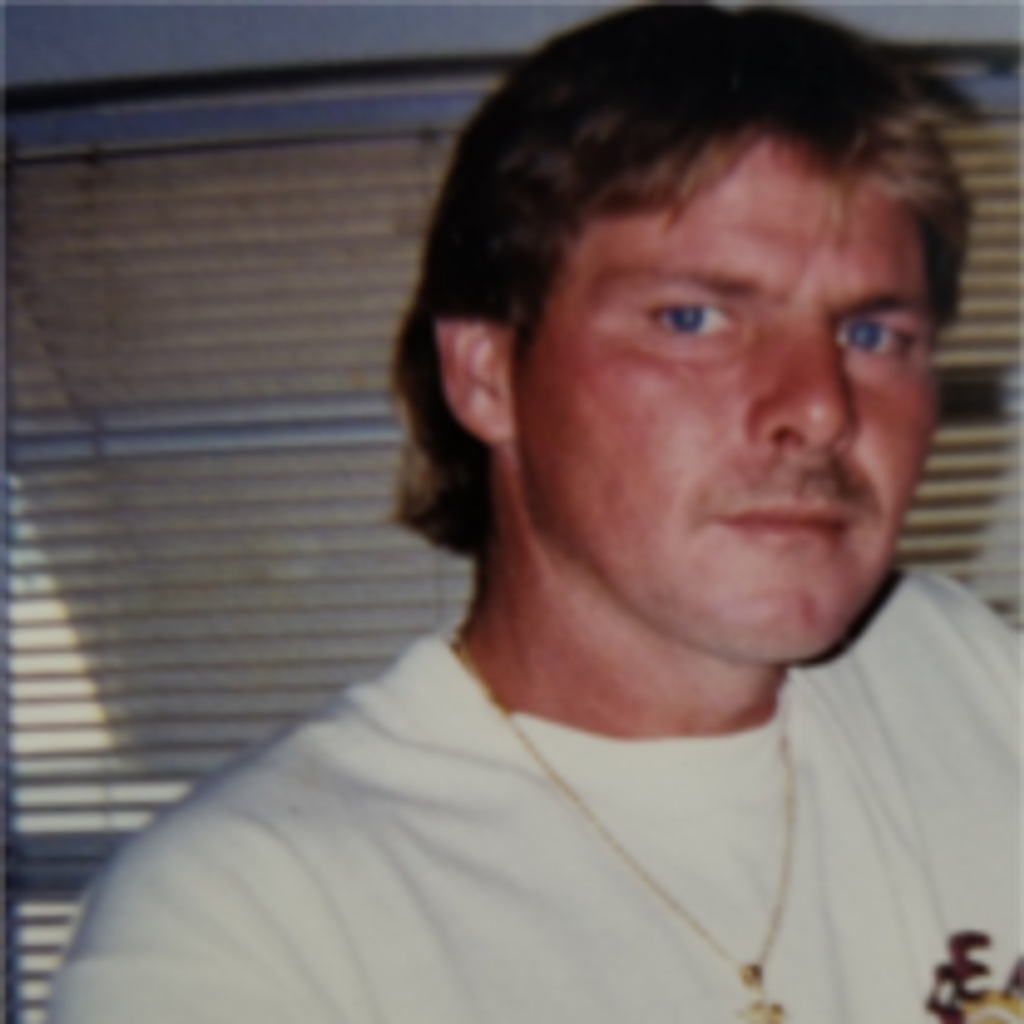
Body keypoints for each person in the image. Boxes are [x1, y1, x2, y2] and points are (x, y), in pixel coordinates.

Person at [51, 4, 1022, 1023]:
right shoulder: (245, 925)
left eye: (872, 334)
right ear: (486, 376)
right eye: (693, 319)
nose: (819, 407)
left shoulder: (958, 672)